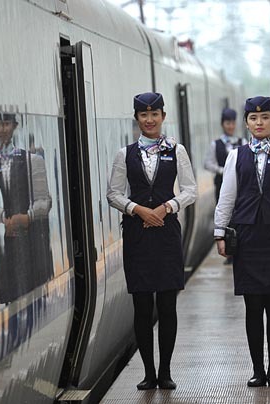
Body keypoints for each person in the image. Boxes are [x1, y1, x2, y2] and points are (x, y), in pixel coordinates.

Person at [107, 92, 197, 390]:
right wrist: (137, 209)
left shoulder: (177, 150)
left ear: (163, 116)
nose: (149, 120)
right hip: (137, 235)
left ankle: (166, 372)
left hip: (167, 234)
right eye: (144, 115)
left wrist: (166, 207)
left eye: (154, 114)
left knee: (168, 305)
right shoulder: (125, 154)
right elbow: (114, 193)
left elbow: (190, 190)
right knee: (142, 305)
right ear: (137, 119)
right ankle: (148, 373)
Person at [214, 96, 270, 388]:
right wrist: (219, 231)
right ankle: (257, 370)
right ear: (246, 122)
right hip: (247, 235)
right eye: (253, 118)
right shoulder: (235, 155)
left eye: (265, 117)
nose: (259, 123)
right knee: (253, 305)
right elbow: (227, 196)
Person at [0, 111, 53, 356]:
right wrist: (2, 219)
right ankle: (14, 341)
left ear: (15, 126)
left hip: (30, 237)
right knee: (11, 293)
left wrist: (27, 217)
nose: (3, 128)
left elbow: (45, 201)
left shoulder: (32, 161)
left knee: (29, 289)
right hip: (4, 239)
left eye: (7, 123)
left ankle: (25, 337)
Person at [204, 108, 246, 203]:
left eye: (233, 123)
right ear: (222, 124)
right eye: (228, 123)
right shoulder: (215, 144)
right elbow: (207, 164)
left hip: (240, 184)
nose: (231, 126)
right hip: (221, 184)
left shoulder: (242, 142)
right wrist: (221, 170)